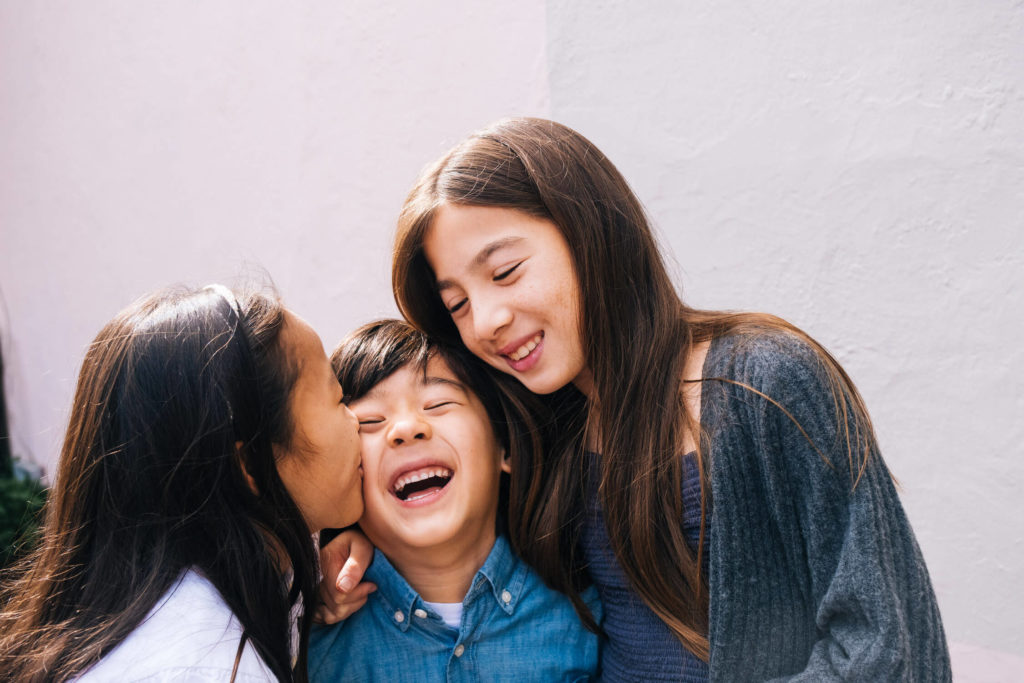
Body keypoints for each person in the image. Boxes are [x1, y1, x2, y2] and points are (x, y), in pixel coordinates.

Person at [376, 117, 951, 680]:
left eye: (504, 271)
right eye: (457, 305)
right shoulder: (544, 432)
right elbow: (453, 547)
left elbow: (889, 650)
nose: (488, 321)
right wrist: (348, 549)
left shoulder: (764, 385)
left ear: (591, 232)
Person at [0, 285, 364, 682]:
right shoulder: (206, 665)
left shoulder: (160, 617)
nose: (357, 420)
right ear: (250, 465)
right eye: (339, 398)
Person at [309, 319, 600, 682]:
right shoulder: (310, 638)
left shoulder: (588, 615)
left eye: (437, 404)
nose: (405, 429)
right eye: (369, 421)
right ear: (346, 472)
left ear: (505, 445)